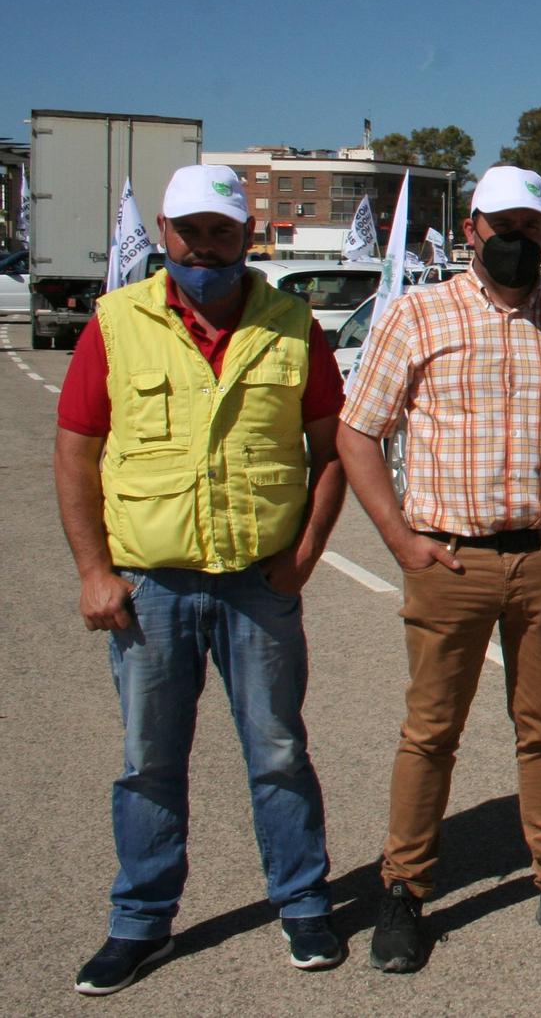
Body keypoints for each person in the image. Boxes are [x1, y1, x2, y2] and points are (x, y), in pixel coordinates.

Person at [337, 164, 541, 972]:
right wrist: (401, 541)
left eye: (532, 227)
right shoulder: (417, 314)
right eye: (501, 225)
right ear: (470, 229)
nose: (517, 240)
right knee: (430, 732)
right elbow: (358, 431)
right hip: (451, 559)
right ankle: (403, 893)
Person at [55, 165, 349, 994]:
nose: (205, 247)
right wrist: (92, 570)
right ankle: (140, 922)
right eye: (189, 231)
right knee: (149, 760)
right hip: (150, 587)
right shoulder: (117, 322)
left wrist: (306, 555)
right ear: (163, 231)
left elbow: (331, 451)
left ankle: (303, 902)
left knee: (279, 752)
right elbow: (75, 448)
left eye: (222, 231)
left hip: (259, 584)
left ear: (247, 234)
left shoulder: (295, 326)